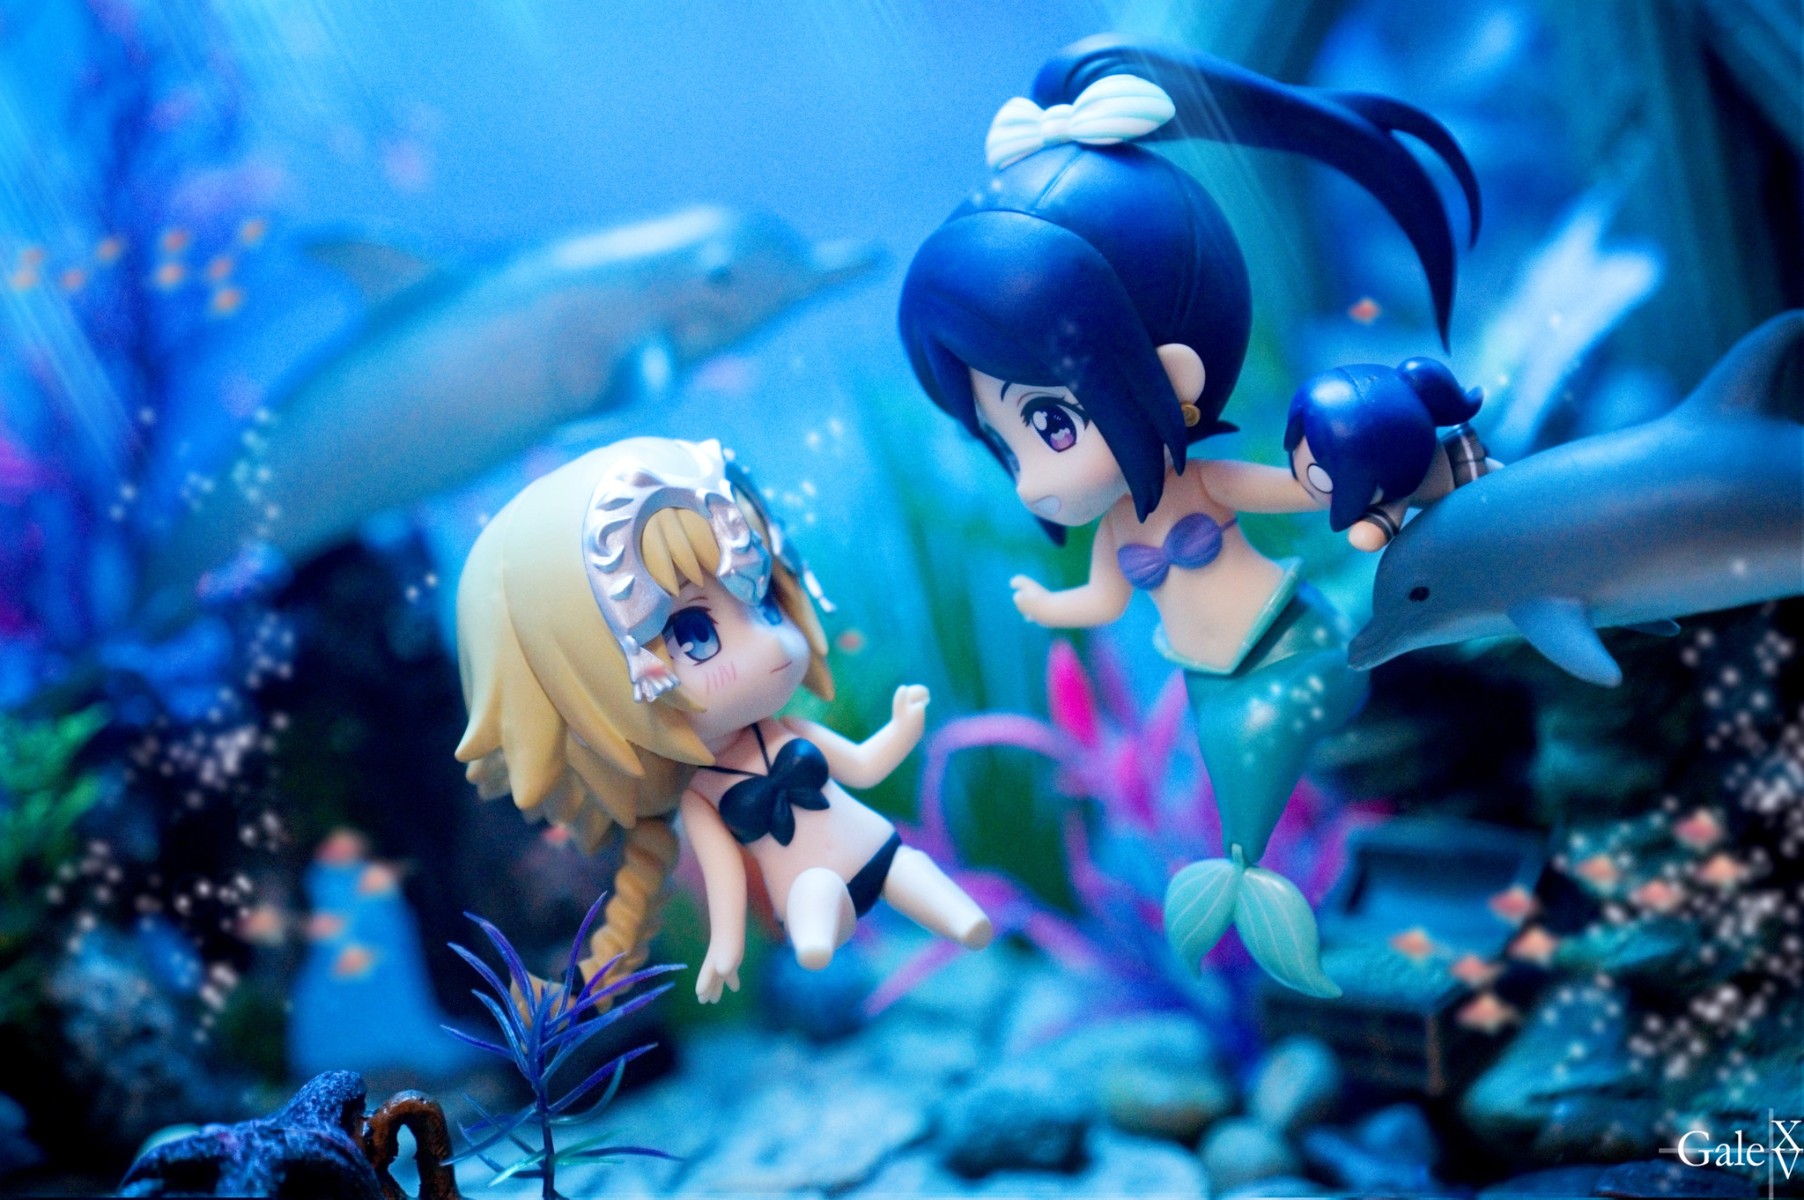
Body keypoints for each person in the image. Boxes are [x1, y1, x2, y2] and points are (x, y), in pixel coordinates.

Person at [897, 37, 1480, 996]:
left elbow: (1298, 492)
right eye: (1003, 443)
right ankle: (1277, 919)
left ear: (1170, 377)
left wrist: (1376, 474)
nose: (1031, 480)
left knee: (1286, 771)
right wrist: (1051, 609)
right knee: (1243, 809)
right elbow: (1098, 597)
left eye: (1048, 425)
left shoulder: (1206, 485)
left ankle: (1308, 903)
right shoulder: (1116, 528)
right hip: (1210, 683)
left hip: (1287, 648)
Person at [454, 437, 990, 1006]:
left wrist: (903, 727)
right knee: (814, 899)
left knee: (911, 871)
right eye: (694, 634)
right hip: (804, 886)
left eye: (765, 601)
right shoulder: (701, 797)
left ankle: (964, 921)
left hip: (875, 846)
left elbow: (862, 765)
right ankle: (816, 940)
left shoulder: (791, 734)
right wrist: (726, 947)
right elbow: (725, 878)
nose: (770, 644)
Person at [1286, 357, 1496, 551]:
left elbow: (1368, 537)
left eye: (1317, 476)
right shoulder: (1392, 486)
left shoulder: (1396, 493)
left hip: (1474, 499)